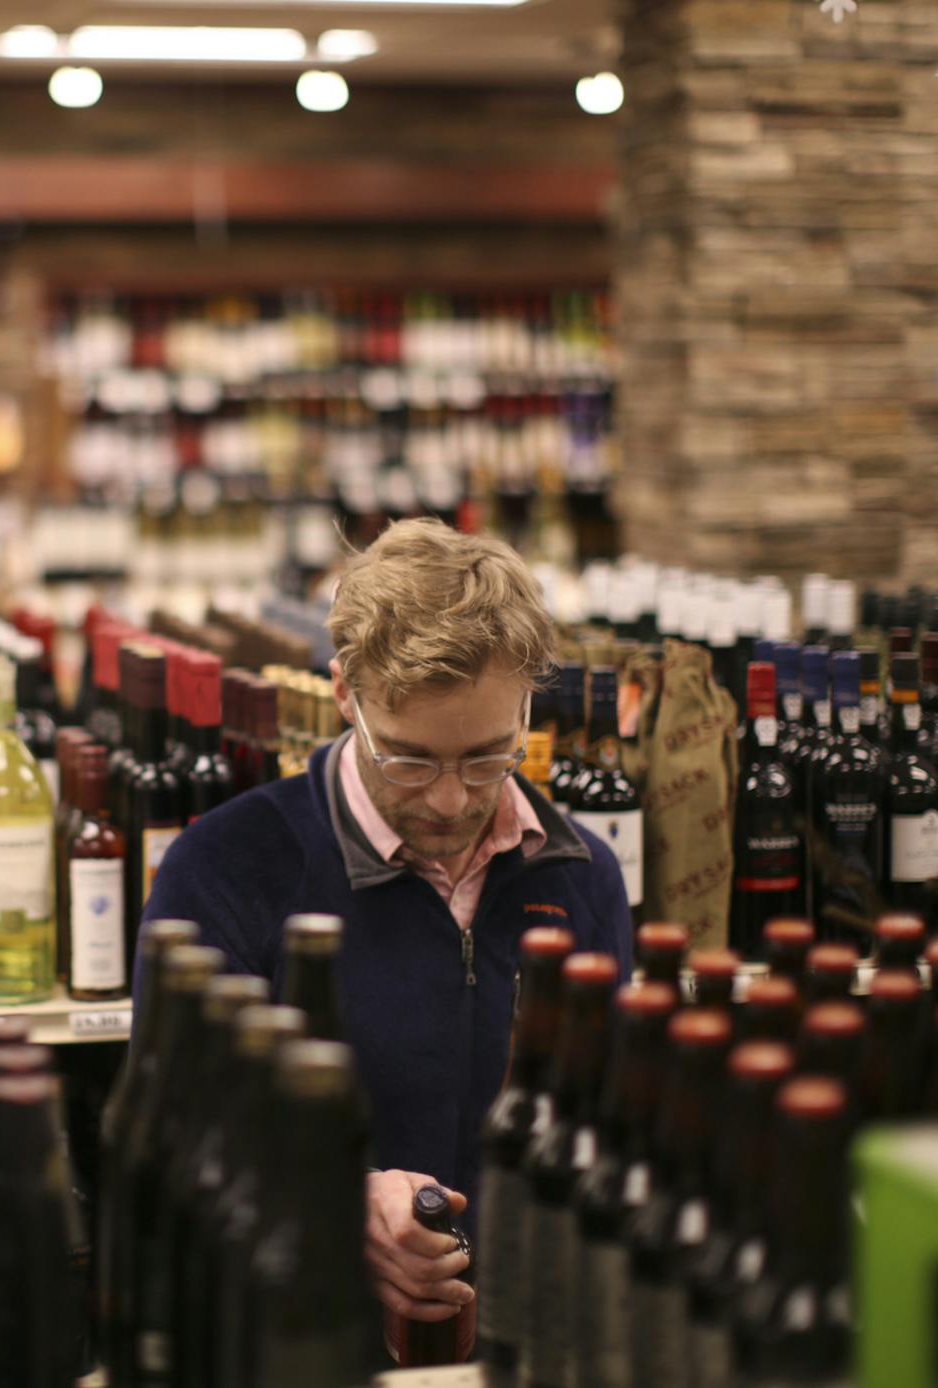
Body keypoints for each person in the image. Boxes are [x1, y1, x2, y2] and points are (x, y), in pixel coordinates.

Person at [138, 517, 634, 1331]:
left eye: (487, 757)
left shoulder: (582, 880)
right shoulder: (225, 869)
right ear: (344, 694)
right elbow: (170, 1137)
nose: (450, 800)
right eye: (408, 758)